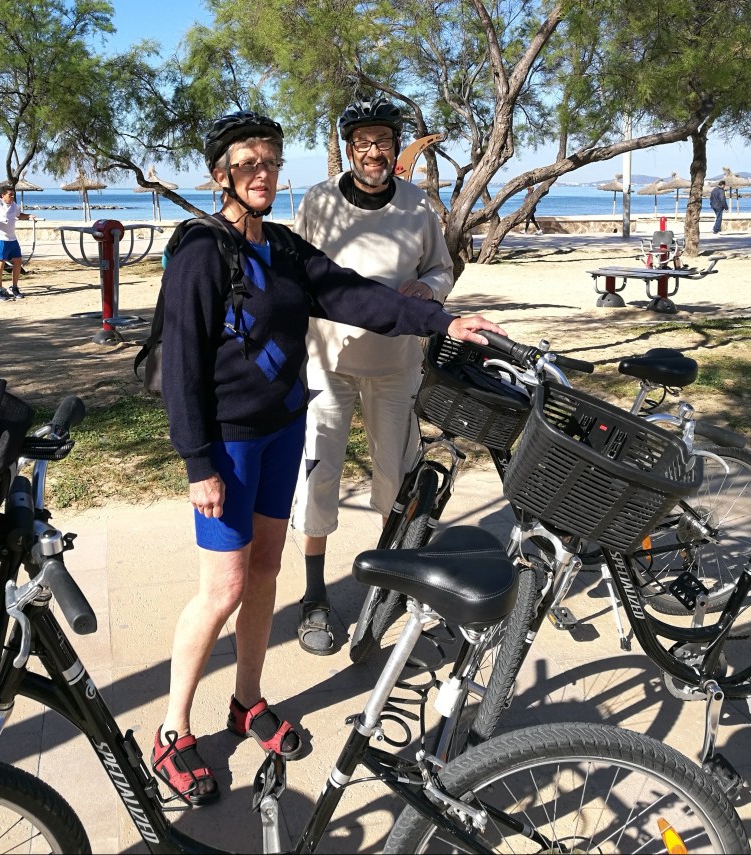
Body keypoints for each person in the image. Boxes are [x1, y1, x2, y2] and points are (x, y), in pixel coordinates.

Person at [155, 109, 505, 805]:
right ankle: (172, 730)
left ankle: (247, 700)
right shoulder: (201, 251)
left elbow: (355, 296)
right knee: (222, 589)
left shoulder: (285, 247)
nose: (262, 174)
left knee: (264, 571)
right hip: (228, 442)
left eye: (271, 161)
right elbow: (180, 364)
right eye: (248, 163)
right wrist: (197, 463)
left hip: (283, 428)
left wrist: (443, 319)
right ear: (221, 174)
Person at [288, 95, 453, 656]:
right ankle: (314, 594)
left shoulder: (417, 205)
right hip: (327, 363)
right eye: (362, 142)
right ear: (349, 148)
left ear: (395, 146)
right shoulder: (319, 201)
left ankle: (393, 586)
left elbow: (441, 267)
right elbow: (296, 272)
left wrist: (429, 288)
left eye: (382, 140)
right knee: (318, 474)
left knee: (395, 477)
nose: (373, 151)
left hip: (396, 364)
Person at [0, 187, 41, 300]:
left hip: (12, 239)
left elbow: (19, 215)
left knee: (18, 261)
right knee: (0, 263)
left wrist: (29, 216)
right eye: (10, 195)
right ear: (3, 195)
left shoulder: (14, 205)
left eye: (13, 195)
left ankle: (14, 287)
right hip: (0, 239)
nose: (13, 197)